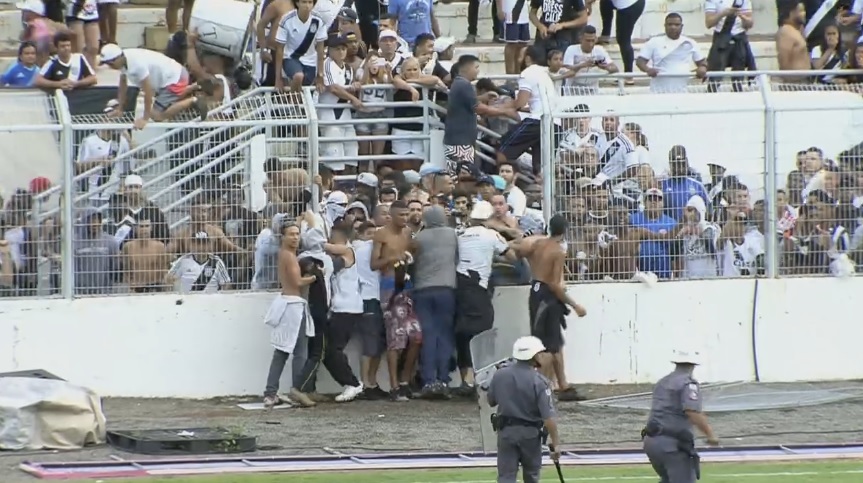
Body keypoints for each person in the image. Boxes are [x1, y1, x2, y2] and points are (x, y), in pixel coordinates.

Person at [515, 214, 587, 400]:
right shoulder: (558, 251)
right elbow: (555, 284)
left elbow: (520, 251)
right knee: (547, 346)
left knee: (551, 343)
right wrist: (575, 305)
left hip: (536, 290)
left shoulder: (538, 245)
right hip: (547, 295)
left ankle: (559, 384)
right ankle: (543, 387)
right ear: (565, 231)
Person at [453, 200, 518, 395]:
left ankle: (465, 379)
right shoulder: (492, 235)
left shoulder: (460, 234)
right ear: (488, 219)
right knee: (483, 332)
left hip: (459, 285)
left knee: (461, 334)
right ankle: (481, 378)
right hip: (478, 286)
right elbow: (511, 256)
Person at [488, 336, 561, 483]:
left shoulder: (500, 375)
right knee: (532, 475)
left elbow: (491, 401)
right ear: (534, 356)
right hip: (530, 435)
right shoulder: (540, 382)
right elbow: (548, 418)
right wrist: (556, 443)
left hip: (505, 433)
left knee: (505, 477)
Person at [262, 222, 318, 409]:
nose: (295, 237)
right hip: (292, 304)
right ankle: (296, 389)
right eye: (291, 234)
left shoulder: (286, 255)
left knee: (285, 351)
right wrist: (315, 277)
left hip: (290, 302)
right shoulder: (288, 256)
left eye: (297, 234)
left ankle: (272, 392)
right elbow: (297, 281)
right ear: (283, 237)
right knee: (297, 351)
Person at [643, 349, 720, 483]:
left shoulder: (662, 382)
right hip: (672, 445)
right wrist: (710, 435)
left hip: (652, 442)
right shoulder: (688, 383)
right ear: (693, 365)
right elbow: (692, 412)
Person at [410, 205, 458, 399]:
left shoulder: (419, 238)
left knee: (428, 336)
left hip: (422, 290)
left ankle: (428, 380)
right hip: (446, 289)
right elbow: (457, 259)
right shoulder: (452, 234)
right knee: (445, 335)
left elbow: (412, 263)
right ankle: (444, 379)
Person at [100, 43, 206, 129]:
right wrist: (120, 108)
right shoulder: (124, 58)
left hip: (176, 79)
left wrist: (144, 119)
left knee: (156, 115)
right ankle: (194, 87)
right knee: (153, 107)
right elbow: (123, 84)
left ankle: (194, 100)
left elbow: (148, 92)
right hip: (171, 77)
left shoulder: (137, 65)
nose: (110, 67)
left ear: (117, 59)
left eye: (110, 64)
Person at [635, 13, 707, 93]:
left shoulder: (690, 42)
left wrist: (702, 68)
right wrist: (648, 69)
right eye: (670, 24)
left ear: (681, 26)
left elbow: (702, 62)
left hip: (682, 91)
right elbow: (640, 61)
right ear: (665, 26)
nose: (673, 27)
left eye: (676, 25)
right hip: (658, 91)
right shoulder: (654, 42)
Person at [705, 0, 755, 93]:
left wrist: (742, 16)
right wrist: (724, 13)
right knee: (716, 72)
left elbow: (749, 24)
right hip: (721, 37)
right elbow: (708, 23)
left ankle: (738, 94)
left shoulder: (743, 1)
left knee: (739, 73)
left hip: (739, 38)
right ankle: (711, 96)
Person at [776, 0, 811, 85]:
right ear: (792, 13)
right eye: (801, 11)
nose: (804, 14)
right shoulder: (786, 31)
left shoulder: (797, 31)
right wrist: (788, 81)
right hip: (794, 83)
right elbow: (783, 60)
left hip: (804, 80)